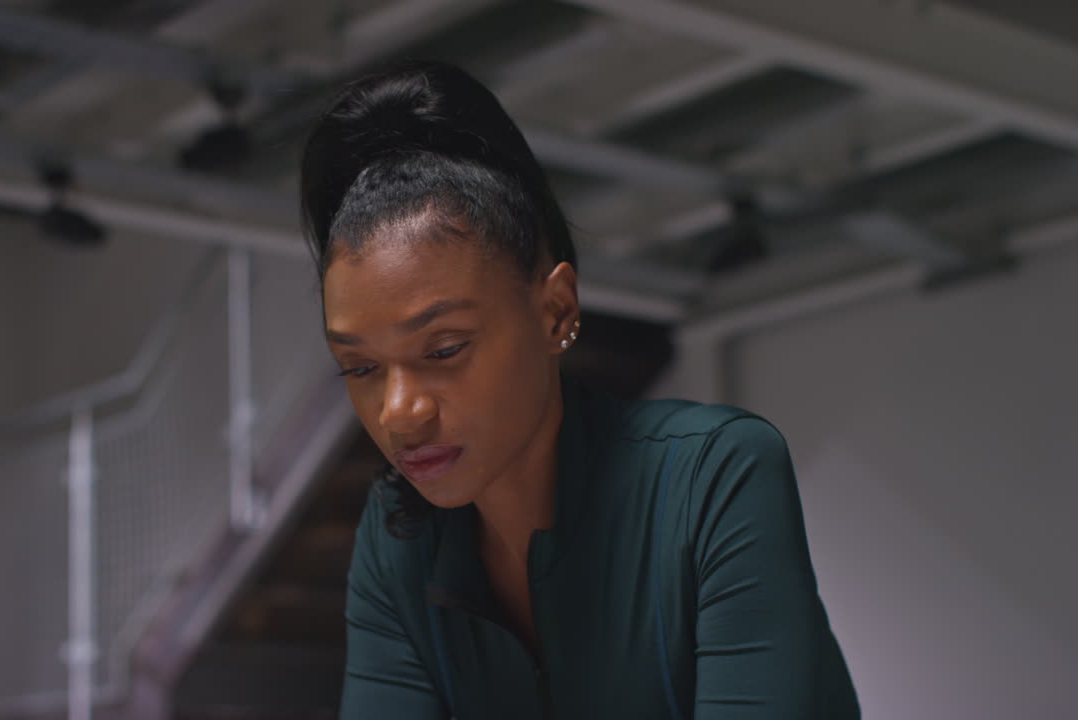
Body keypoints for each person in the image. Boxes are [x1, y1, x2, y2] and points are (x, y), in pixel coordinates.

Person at [300, 60, 859, 720]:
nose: (400, 412)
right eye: (361, 368)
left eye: (444, 349)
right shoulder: (399, 543)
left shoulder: (713, 477)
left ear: (556, 311)